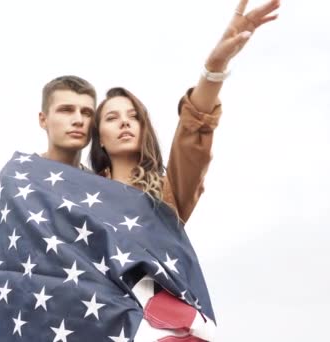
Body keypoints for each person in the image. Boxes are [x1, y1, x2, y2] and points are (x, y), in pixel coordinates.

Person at [90, 0, 280, 340]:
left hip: (166, 329)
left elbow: (194, 132)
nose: (125, 123)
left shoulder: (166, 193)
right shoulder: (78, 196)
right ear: (99, 137)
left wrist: (214, 67)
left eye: (133, 115)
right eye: (112, 117)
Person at [37, 75, 97, 168]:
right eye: (66, 110)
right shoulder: (16, 174)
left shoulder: (97, 182)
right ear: (43, 120)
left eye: (86, 113)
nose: (79, 120)